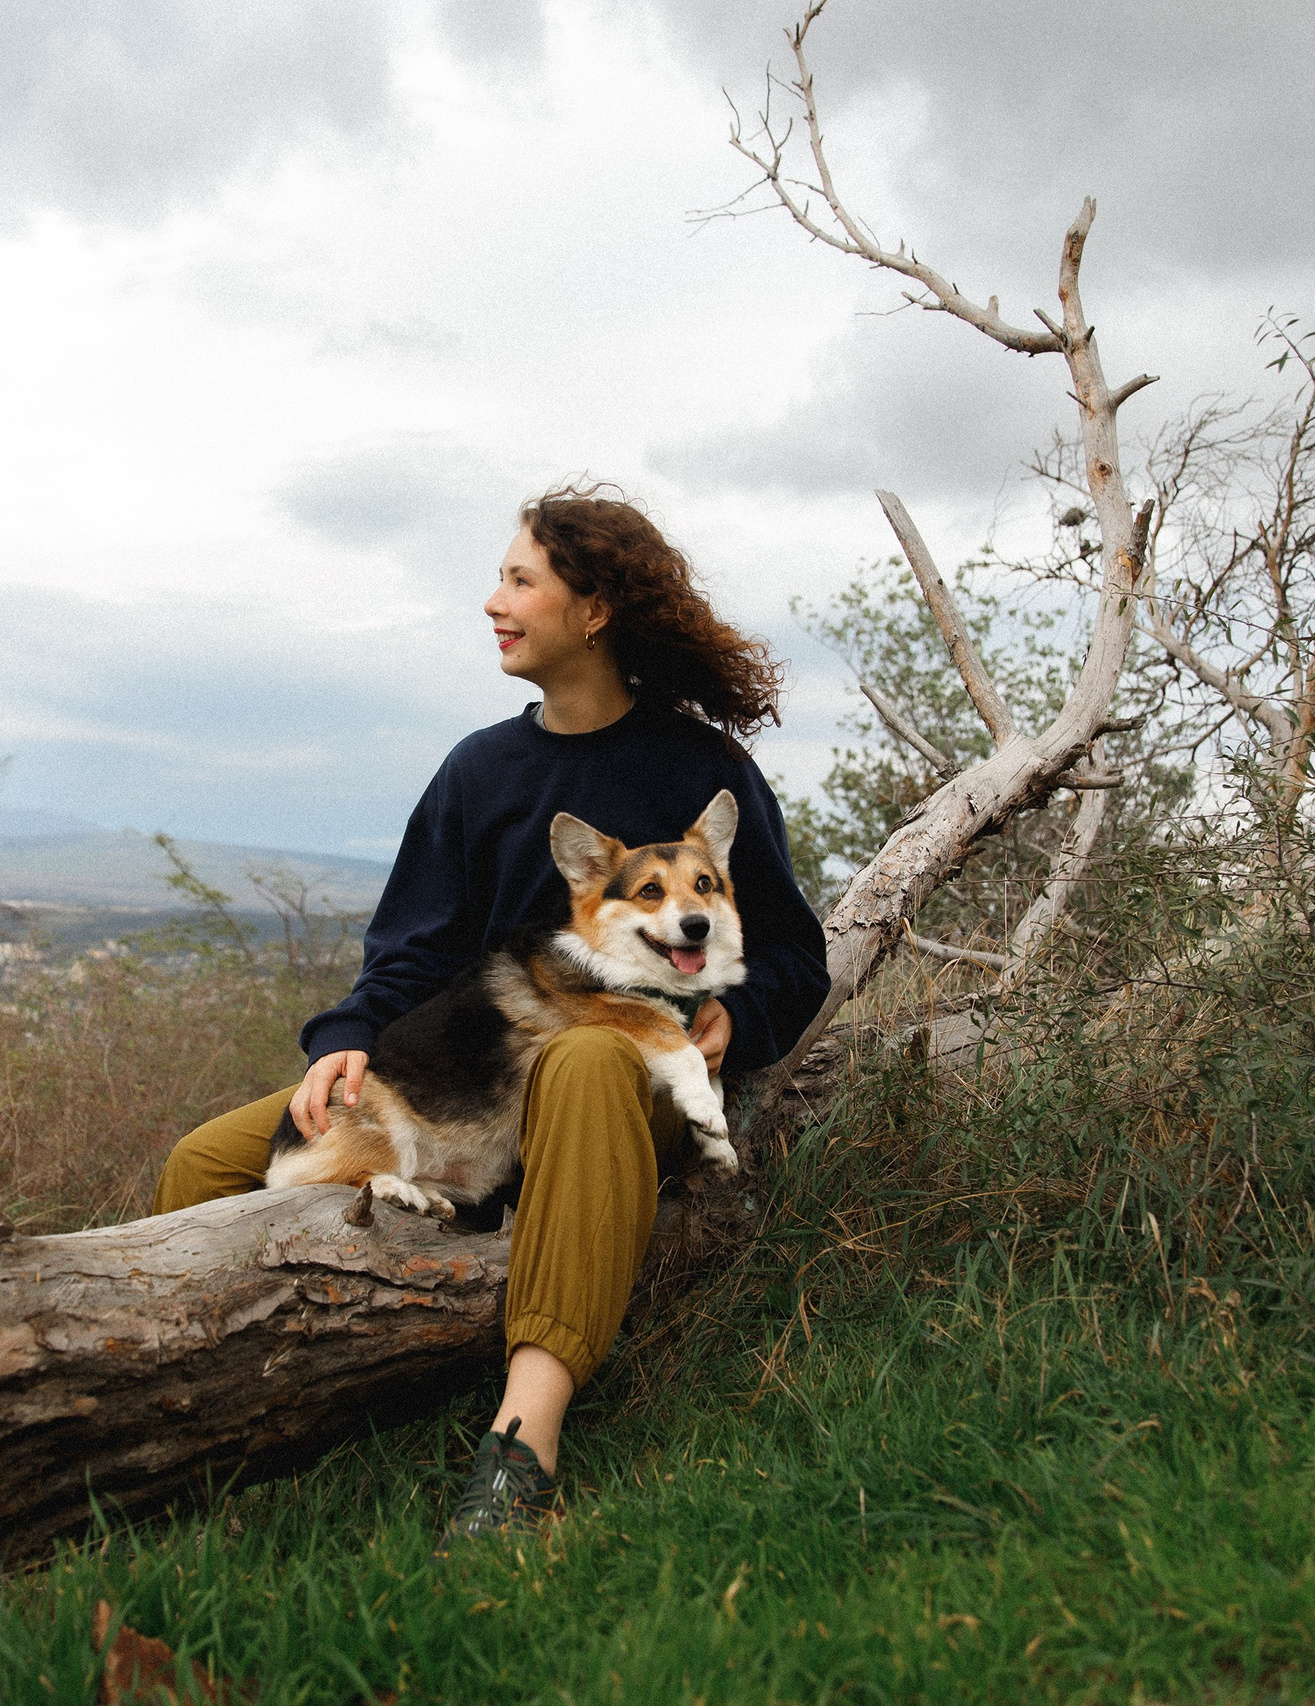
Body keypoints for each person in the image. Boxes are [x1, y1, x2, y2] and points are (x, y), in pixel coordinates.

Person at [152, 485, 828, 1548]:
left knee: (590, 1059)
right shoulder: (481, 770)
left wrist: (735, 1022)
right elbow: (412, 952)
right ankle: (208, 1445)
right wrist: (342, 1044)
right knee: (209, 1161)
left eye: (520, 579)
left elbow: (793, 950)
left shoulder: (700, 768)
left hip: (621, 1090)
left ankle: (523, 1444)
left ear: (593, 607)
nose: (492, 602)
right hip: (469, 1084)